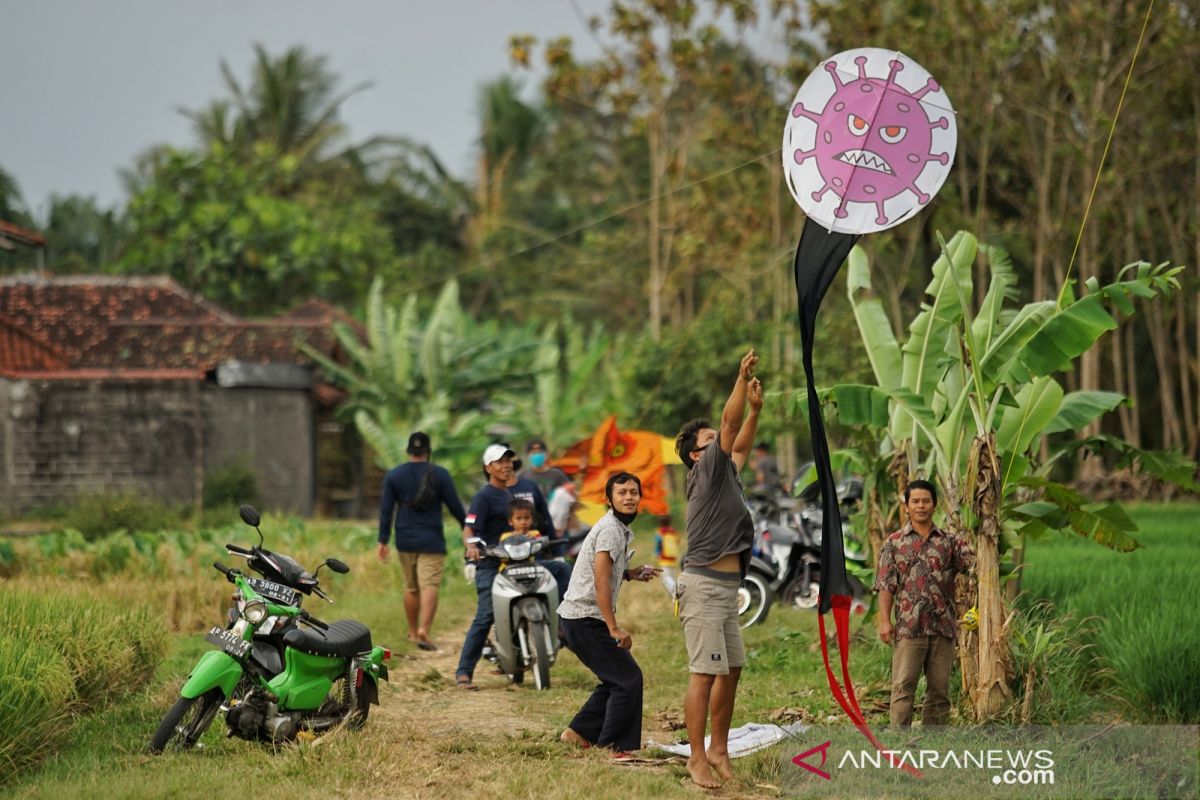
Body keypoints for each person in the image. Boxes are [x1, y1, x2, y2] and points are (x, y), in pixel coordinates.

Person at [673, 349, 763, 788]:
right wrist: (739, 380)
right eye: (709, 441)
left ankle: (719, 749)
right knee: (704, 673)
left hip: (727, 589)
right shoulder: (707, 471)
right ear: (696, 455)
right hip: (704, 586)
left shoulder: (726, 470)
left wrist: (756, 409)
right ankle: (695, 758)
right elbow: (730, 426)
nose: (720, 443)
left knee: (731, 670)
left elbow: (740, 440)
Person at [558, 472, 661, 755]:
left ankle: (578, 733)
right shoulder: (610, 530)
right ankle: (613, 747)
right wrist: (614, 628)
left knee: (616, 677)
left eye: (633, 492)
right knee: (628, 679)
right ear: (609, 499)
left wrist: (630, 574)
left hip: (579, 617)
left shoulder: (617, 528)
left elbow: (608, 572)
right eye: (622, 493)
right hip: (584, 617)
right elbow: (600, 579)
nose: (629, 497)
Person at [874, 479, 975, 727]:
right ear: (907, 506)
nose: (921, 506)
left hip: (943, 626)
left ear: (935, 505)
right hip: (909, 627)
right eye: (915, 501)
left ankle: (934, 743)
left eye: (926, 501)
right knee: (903, 685)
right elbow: (886, 585)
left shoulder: (950, 542)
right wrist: (885, 621)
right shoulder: (894, 543)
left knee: (939, 690)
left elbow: (974, 567)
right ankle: (900, 741)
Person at [377, 431, 466, 651]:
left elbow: (386, 510)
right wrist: (467, 528)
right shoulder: (441, 475)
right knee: (430, 584)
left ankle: (413, 630)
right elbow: (455, 506)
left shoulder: (394, 475)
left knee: (411, 586)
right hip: (431, 538)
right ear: (428, 451)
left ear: (409, 451)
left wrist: (383, 541)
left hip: (405, 537)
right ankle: (425, 629)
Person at [519, 437, 570, 503]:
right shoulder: (522, 476)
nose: (537, 455)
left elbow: (569, 493)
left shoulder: (557, 474)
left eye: (540, 452)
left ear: (546, 454)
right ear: (528, 455)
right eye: (534, 453)